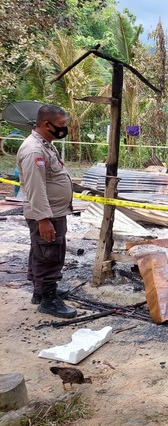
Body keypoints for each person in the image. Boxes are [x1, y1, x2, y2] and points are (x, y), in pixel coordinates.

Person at [16, 104, 76, 318]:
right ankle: (48, 300)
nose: (64, 129)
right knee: (49, 254)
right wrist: (43, 219)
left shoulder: (45, 144)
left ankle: (40, 292)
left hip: (54, 210)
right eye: (60, 125)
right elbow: (35, 186)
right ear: (45, 124)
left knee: (41, 250)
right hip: (46, 213)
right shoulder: (34, 150)